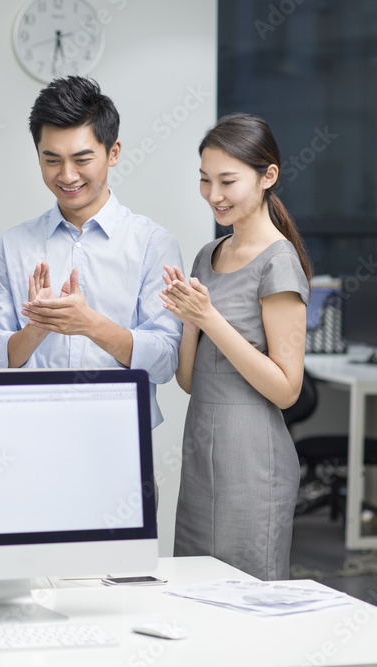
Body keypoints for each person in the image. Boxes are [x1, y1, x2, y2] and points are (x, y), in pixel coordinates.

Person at [0, 76, 183, 429]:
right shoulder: (11, 246)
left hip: (119, 437)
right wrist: (35, 329)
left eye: (82, 159)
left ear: (114, 153)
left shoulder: (153, 244)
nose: (67, 175)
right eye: (52, 160)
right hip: (27, 436)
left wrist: (91, 325)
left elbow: (166, 361)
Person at [163, 113, 310, 581]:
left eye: (228, 181)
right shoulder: (208, 256)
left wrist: (209, 317)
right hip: (202, 454)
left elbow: (287, 390)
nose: (213, 195)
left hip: (253, 466)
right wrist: (189, 318)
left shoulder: (279, 263)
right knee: (193, 599)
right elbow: (190, 381)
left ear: (268, 177)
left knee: (248, 608)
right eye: (205, 181)